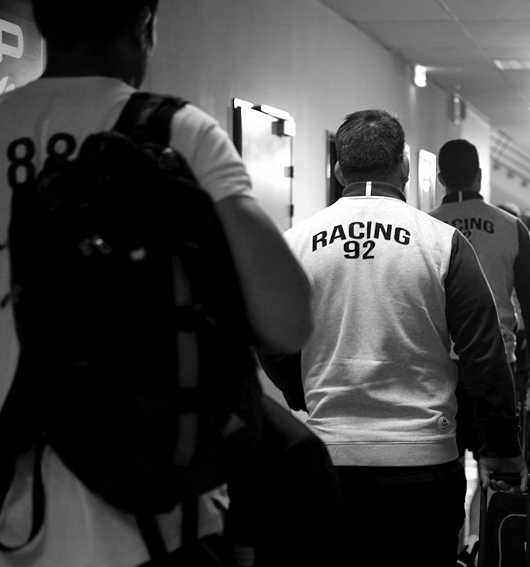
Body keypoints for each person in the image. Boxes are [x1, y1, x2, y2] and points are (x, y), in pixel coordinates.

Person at [0, 2, 313, 565]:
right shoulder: (174, 131)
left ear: (43, 19)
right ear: (146, 25)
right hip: (151, 510)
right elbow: (287, 321)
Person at [281, 111, 527, 567]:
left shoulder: (295, 244)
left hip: (332, 460)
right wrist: (502, 447)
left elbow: (268, 337)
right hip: (424, 465)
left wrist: (302, 392)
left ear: (338, 171)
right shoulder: (444, 243)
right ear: (406, 168)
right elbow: (484, 355)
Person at [429, 140, 530, 566]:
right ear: (480, 175)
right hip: (500, 367)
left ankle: (453, 551)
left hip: (439, 370)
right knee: (498, 467)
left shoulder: (426, 225)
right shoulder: (510, 225)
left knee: (443, 469)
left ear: (441, 178)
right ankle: (489, 547)